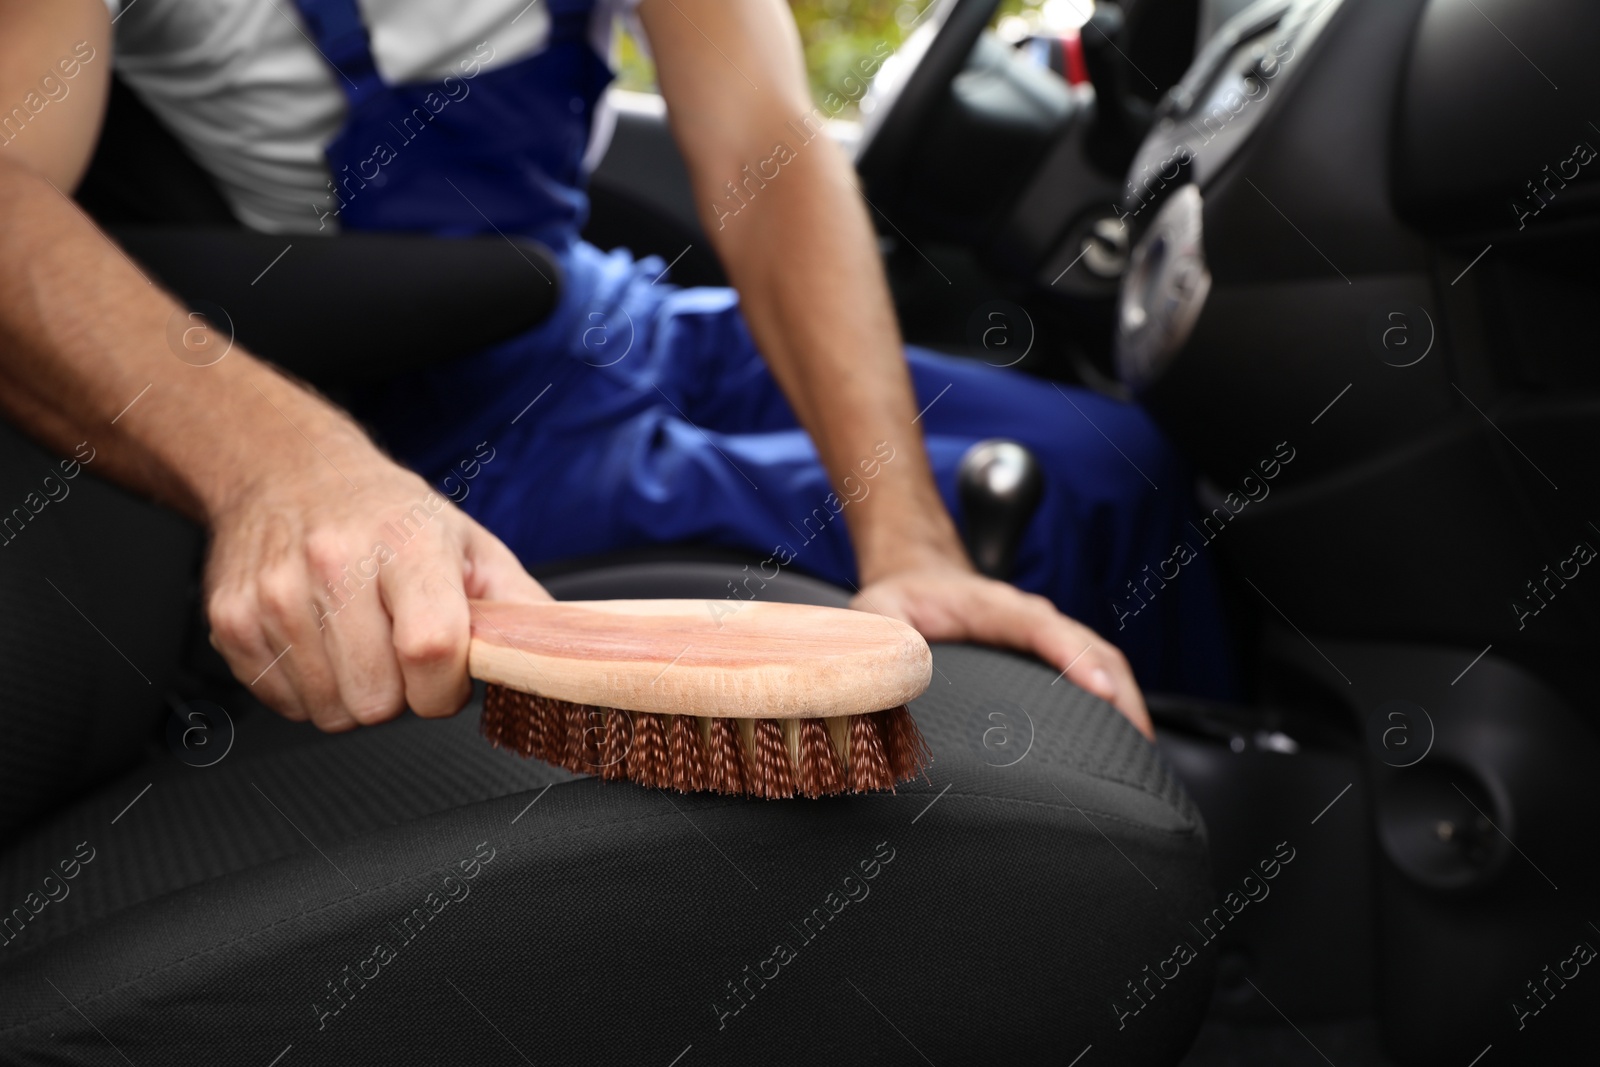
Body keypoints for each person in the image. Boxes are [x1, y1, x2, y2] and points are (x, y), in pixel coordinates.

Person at [0, 0, 1230, 740]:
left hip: (586, 307)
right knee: (1048, 516)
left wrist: (906, 540)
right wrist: (280, 467)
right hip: (405, 403)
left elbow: (764, 142)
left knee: (1111, 465)